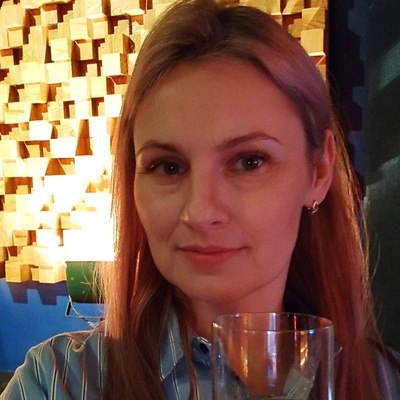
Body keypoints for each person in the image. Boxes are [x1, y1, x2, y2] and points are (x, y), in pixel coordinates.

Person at [2, 0, 400, 399]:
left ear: (318, 172)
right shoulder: (58, 381)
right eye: (168, 167)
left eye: (249, 161)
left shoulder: (385, 381)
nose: (200, 212)